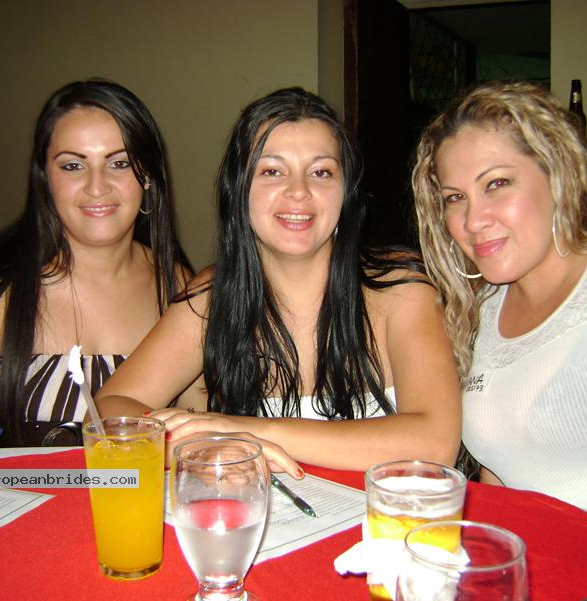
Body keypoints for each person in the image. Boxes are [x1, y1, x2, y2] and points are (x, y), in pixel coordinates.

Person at [96, 87, 461, 473]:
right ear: (239, 189)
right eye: (271, 171)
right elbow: (109, 407)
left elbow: (435, 444)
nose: (298, 192)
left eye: (321, 172)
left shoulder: (400, 289)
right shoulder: (212, 297)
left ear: (346, 192)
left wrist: (245, 433)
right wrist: (196, 445)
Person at [0, 79, 193, 507]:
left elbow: (199, 417)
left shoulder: (178, 286)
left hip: (137, 516)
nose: (97, 186)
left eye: (120, 163)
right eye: (73, 165)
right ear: (44, 178)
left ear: (149, 177)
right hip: (1, 520)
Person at [411, 80, 587, 544]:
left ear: (559, 174)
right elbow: (503, 473)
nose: (473, 220)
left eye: (497, 184)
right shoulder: (483, 310)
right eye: (455, 197)